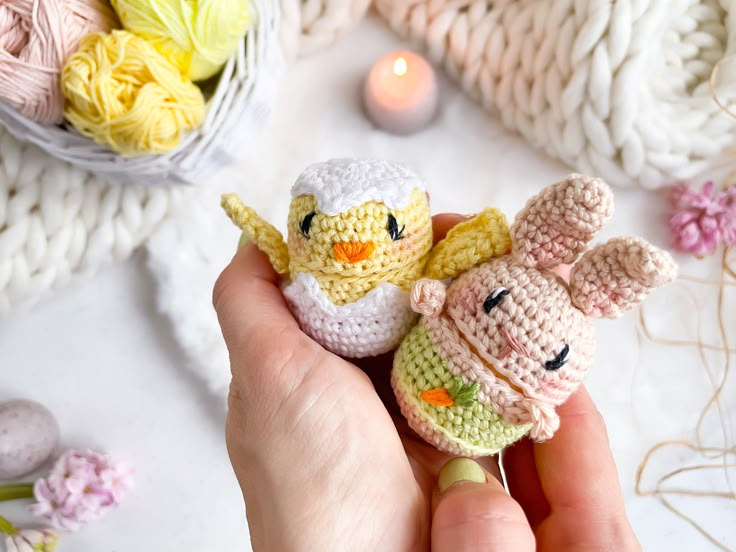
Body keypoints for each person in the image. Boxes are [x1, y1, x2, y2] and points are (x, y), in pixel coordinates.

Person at [213, 214, 641, 551]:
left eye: (554, 358)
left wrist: (534, 412)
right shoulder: (479, 291)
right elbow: (435, 300)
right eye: (493, 301)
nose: (513, 344)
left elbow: (542, 418)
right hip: (418, 370)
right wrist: (432, 297)